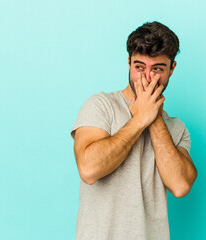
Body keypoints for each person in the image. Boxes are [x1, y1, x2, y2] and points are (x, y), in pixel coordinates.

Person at [70, 21, 197, 240]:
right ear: (128, 62)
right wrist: (139, 120)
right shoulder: (101, 106)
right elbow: (89, 169)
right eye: (139, 67)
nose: (147, 78)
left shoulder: (177, 128)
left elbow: (180, 186)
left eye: (157, 69)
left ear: (171, 69)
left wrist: (153, 117)